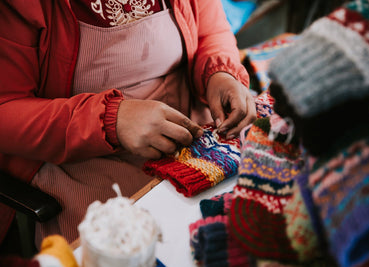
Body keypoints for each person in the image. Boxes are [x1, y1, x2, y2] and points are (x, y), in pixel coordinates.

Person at [0, 0, 257, 248]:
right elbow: (6, 109)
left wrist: (220, 74)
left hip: (196, 138)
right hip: (81, 162)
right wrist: (110, 120)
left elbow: (210, 32)